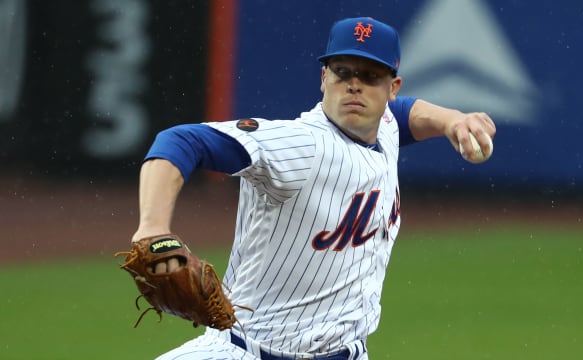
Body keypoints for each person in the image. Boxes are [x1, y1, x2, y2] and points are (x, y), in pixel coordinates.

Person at [132, 17, 496, 360]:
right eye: (343, 73)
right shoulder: (300, 146)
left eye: (369, 76)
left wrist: (452, 121)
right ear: (324, 77)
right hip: (246, 351)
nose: (354, 85)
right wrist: (152, 227)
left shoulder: (383, 123)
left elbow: (403, 114)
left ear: (391, 87)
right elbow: (180, 141)